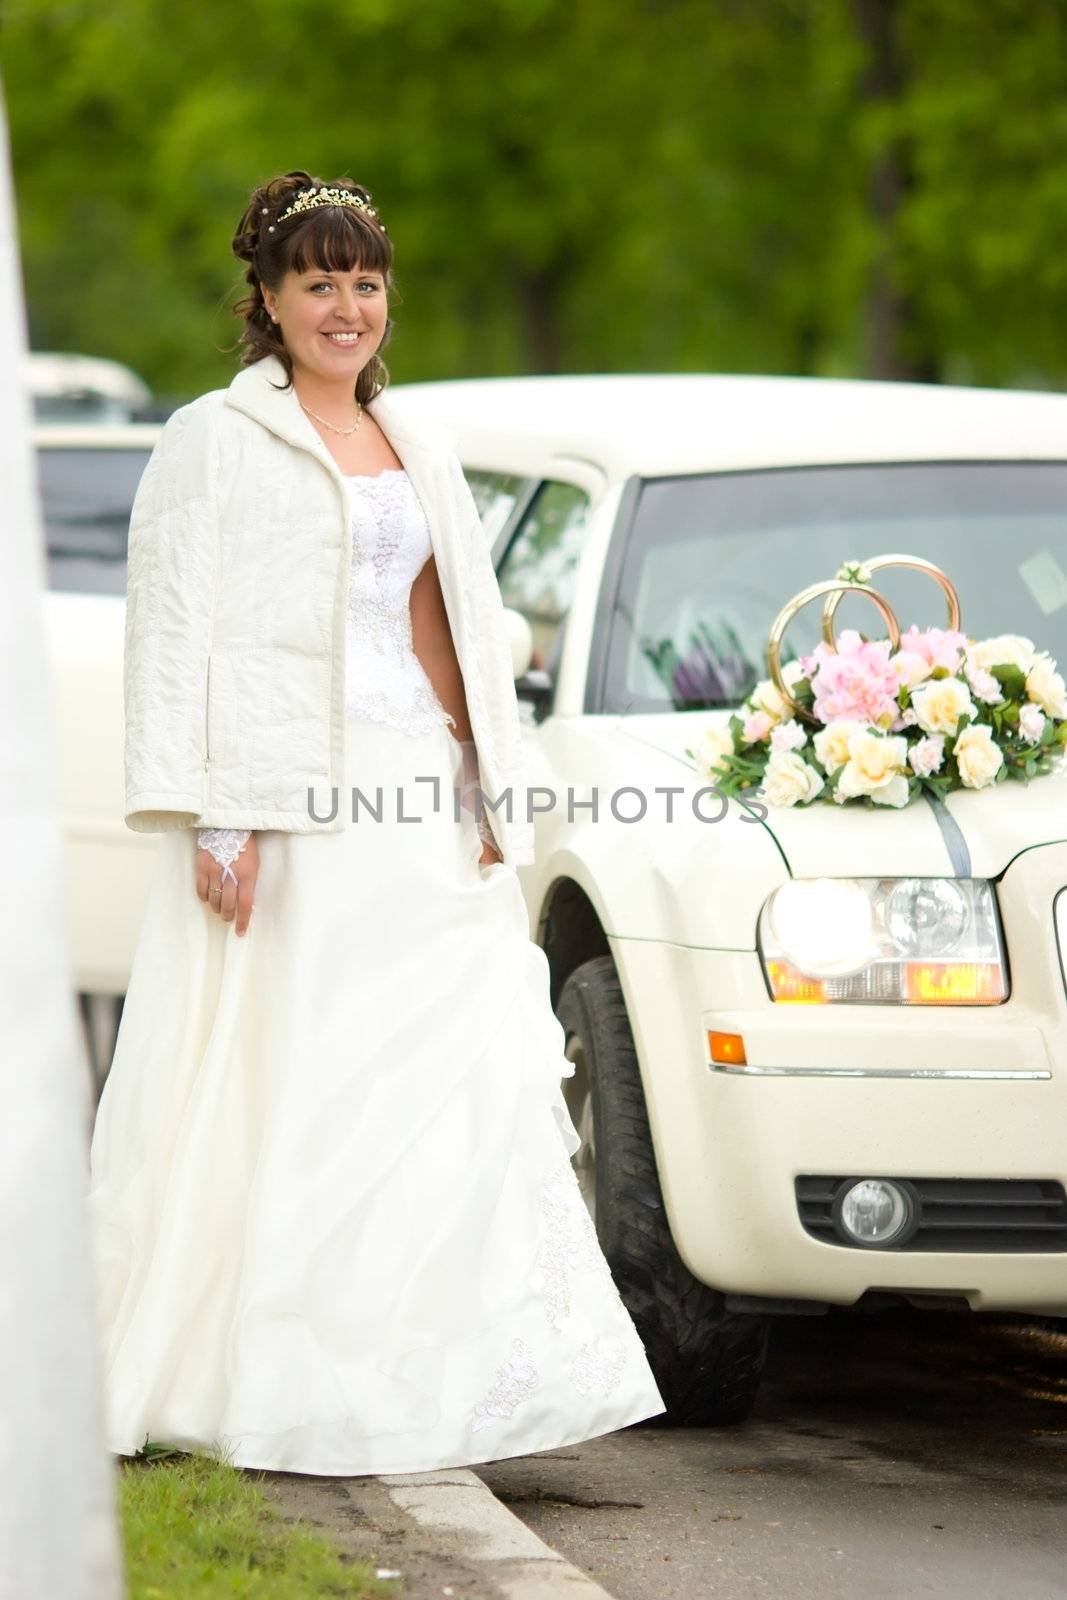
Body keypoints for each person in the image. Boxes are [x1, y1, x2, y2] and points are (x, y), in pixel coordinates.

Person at [86, 169, 666, 1475]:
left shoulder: (420, 443)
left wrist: (476, 778)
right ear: (271, 302)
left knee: (443, 1073)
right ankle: (276, 1369)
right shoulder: (213, 440)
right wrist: (212, 816)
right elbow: (177, 634)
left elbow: (438, 619)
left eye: (364, 282)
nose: (346, 307)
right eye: (318, 283)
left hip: (413, 787)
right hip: (284, 801)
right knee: (299, 1069)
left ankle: (439, 1376)